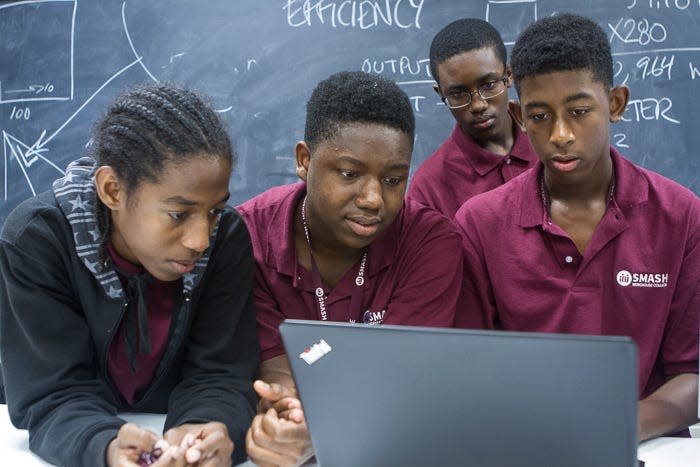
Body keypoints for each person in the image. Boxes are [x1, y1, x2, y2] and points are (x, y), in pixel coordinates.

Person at [454, 13, 699, 441]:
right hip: (524, 441)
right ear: (518, 116)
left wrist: (614, 429)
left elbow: (690, 375)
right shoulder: (479, 223)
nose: (561, 134)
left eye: (579, 111)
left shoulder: (681, 216)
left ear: (617, 104)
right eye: (540, 116)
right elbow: (471, 368)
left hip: (643, 444)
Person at [0, 84, 259, 466]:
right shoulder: (38, 240)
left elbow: (221, 374)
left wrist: (206, 428)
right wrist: (105, 447)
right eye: (177, 214)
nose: (201, 239)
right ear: (112, 190)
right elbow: (53, 394)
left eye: (214, 212)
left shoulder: (227, 239)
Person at [240, 71, 463, 465]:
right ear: (304, 161)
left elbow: (398, 378)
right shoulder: (250, 238)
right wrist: (288, 416)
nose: (374, 198)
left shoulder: (431, 243)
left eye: (394, 179)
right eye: (349, 174)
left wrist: (322, 427)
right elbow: (277, 370)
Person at [406, 18, 538, 219]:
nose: (478, 105)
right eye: (458, 94)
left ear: (509, 75)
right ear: (440, 93)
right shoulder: (428, 187)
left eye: (488, 85)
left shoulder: (551, 142)